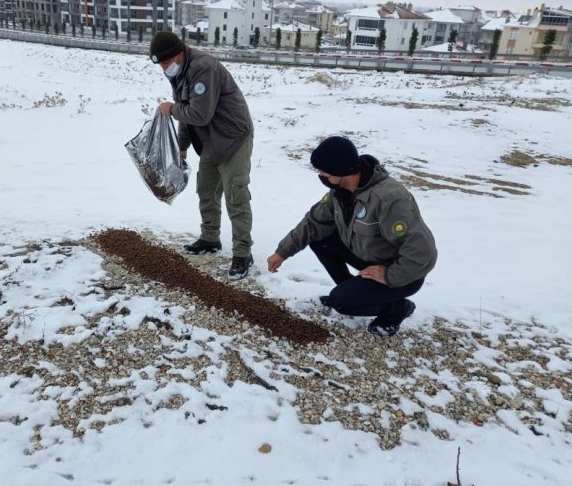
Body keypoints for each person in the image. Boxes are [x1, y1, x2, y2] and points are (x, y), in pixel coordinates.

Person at [267, 136, 437, 336]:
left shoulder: (389, 198)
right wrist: (282, 252)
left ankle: (396, 309)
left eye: (324, 172)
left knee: (341, 302)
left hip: (403, 273)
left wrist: (389, 276)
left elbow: (424, 253)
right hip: (368, 258)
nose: (320, 175)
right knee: (320, 239)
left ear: (341, 170)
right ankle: (354, 291)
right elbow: (313, 222)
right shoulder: (340, 192)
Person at [150, 30, 255, 280]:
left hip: (234, 137)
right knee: (206, 191)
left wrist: (171, 109)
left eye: (166, 62)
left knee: (235, 195)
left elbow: (199, 114)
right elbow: (187, 108)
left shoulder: (203, 68)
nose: (164, 69)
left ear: (179, 53)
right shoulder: (180, 72)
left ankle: (243, 253)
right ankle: (210, 239)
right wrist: (183, 144)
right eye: (161, 64)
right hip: (210, 140)